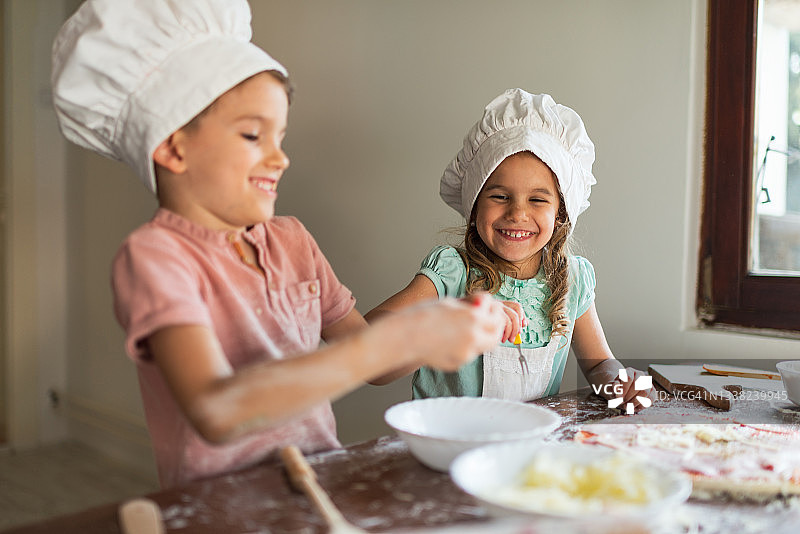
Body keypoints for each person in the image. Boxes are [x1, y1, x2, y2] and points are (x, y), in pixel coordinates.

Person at [50, 0, 507, 489]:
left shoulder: (292, 241)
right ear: (173, 147)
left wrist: (443, 328)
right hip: (219, 506)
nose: (280, 158)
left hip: (314, 484)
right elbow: (214, 409)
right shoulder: (155, 257)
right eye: (253, 134)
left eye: (280, 137)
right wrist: (397, 339)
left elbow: (369, 360)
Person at [366, 89, 657, 411]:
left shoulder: (573, 278)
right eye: (500, 196)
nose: (517, 214)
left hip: (528, 447)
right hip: (449, 447)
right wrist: (439, 326)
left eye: (537, 199)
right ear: (473, 205)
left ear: (561, 213)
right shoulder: (452, 272)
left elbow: (598, 362)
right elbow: (364, 348)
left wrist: (617, 382)